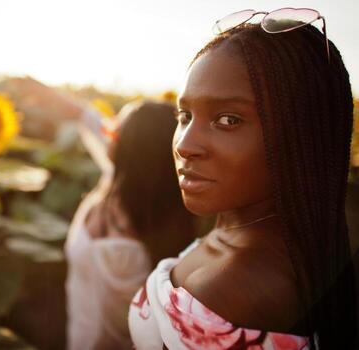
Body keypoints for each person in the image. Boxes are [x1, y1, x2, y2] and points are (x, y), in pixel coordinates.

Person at [128, 9, 357, 350]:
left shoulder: (231, 296)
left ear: (302, 135)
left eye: (228, 119)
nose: (185, 145)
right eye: (185, 115)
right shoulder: (238, 232)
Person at [65, 100, 196, 349]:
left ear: (130, 148)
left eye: (117, 127)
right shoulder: (119, 179)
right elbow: (88, 117)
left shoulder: (125, 253)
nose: (108, 128)